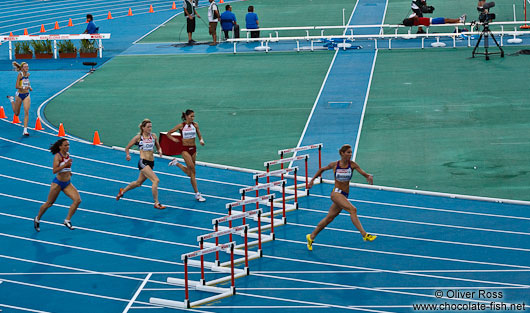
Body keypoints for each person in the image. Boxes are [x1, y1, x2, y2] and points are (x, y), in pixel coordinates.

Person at [305, 144, 376, 251]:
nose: (350, 154)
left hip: (344, 195)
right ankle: (364, 234)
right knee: (353, 209)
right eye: (348, 152)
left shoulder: (352, 165)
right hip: (336, 193)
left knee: (329, 218)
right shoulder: (334, 165)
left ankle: (311, 236)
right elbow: (322, 169)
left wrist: (368, 176)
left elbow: (363, 173)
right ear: (342, 153)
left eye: (351, 152)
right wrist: (312, 180)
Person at [116, 119, 166, 209]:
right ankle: (156, 203)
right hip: (143, 162)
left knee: (139, 183)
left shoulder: (153, 136)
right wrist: (128, 155)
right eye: (148, 127)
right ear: (143, 128)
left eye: (151, 126)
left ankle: (122, 191)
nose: (150, 128)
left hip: (151, 163)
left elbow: (158, 147)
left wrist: (160, 152)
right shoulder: (138, 137)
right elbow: (127, 148)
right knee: (156, 180)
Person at [34, 139, 81, 231]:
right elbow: (54, 171)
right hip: (58, 184)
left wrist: (69, 172)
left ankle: (67, 220)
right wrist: (65, 165)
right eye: (65, 145)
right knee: (49, 203)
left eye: (68, 145)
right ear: (60, 147)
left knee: (77, 200)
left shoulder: (68, 155)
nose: (68, 147)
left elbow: (67, 167)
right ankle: (37, 218)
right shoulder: (57, 157)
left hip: (67, 183)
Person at [167, 109, 206, 202]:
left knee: (190, 173)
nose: (193, 118)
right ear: (186, 116)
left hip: (193, 149)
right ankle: (197, 194)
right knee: (192, 169)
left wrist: (201, 140)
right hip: (184, 149)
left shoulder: (195, 125)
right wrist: (173, 139)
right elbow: (169, 133)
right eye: (191, 116)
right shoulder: (181, 126)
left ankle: (177, 163)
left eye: (193, 116)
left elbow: (199, 134)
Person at [7, 61, 32, 136]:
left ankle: (25, 130)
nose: (27, 68)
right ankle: (11, 100)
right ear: (22, 68)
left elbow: (27, 83)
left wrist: (29, 87)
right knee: (16, 113)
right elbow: (17, 86)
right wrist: (24, 87)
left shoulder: (28, 74)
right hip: (19, 95)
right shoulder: (20, 75)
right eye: (25, 67)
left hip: (26, 95)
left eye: (27, 66)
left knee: (26, 111)